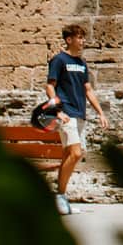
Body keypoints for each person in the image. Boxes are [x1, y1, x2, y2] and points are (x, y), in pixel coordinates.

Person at [45, 25, 107, 215]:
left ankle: (61, 198)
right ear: (69, 39)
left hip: (80, 114)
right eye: (79, 37)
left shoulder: (81, 63)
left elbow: (88, 90)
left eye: (83, 37)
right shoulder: (59, 60)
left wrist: (100, 113)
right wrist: (56, 111)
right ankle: (60, 196)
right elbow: (50, 86)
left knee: (68, 155)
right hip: (66, 113)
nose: (83, 41)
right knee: (76, 153)